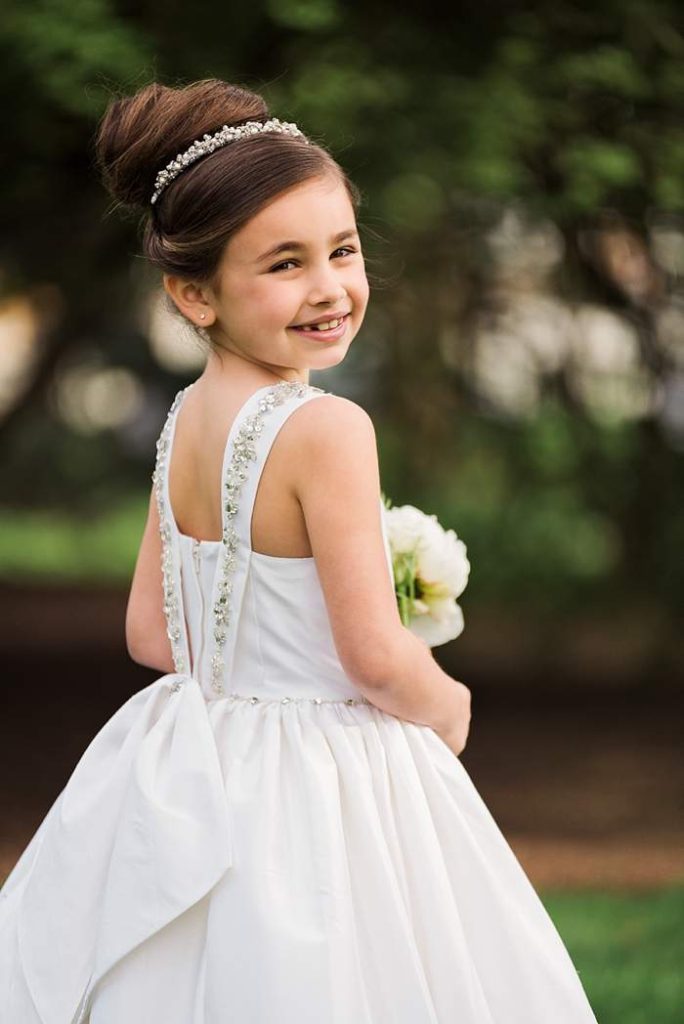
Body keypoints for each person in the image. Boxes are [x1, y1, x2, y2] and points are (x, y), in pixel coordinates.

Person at [0, 78, 599, 1023]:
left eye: (343, 250)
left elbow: (152, 635)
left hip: (187, 754)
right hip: (319, 777)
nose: (329, 287)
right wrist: (446, 702)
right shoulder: (326, 428)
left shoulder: (182, 421)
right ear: (193, 294)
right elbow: (370, 656)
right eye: (283, 264)